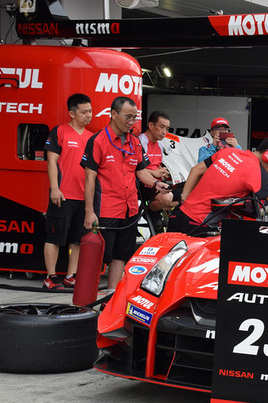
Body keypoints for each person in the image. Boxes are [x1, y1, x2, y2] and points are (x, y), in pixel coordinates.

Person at [82, 97, 169, 290]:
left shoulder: (135, 142)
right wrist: (89, 212)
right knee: (100, 256)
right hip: (105, 209)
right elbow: (89, 179)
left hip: (129, 209)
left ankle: (111, 295)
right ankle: (88, 297)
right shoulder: (97, 141)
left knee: (121, 254)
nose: (132, 121)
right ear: (113, 114)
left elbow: (140, 171)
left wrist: (156, 184)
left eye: (134, 117)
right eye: (128, 116)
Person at [169, 135, 268, 235]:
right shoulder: (258, 172)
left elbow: (195, 170)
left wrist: (183, 200)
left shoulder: (228, 151)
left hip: (179, 215)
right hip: (199, 227)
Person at [42, 93, 94, 290]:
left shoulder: (91, 137)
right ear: (72, 113)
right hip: (62, 195)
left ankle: (71, 276)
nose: (89, 115)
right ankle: (50, 277)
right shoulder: (59, 132)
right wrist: (55, 188)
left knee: (77, 240)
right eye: (84, 112)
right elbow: (52, 162)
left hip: (84, 197)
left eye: (90, 111)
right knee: (54, 237)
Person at [139, 111, 181, 217]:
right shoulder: (140, 141)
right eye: (162, 127)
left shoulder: (160, 143)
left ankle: (157, 209)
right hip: (144, 183)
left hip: (159, 182)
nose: (164, 132)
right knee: (166, 198)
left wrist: (163, 171)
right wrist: (154, 173)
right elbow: (136, 169)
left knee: (187, 196)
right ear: (151, 125)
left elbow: (156, 165)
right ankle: (150, 211)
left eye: (167, 129)